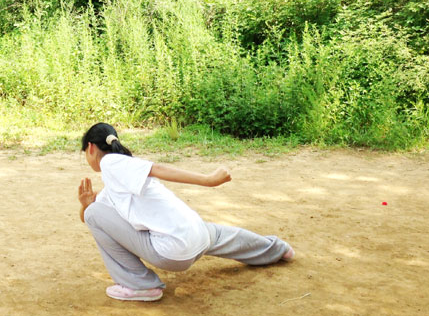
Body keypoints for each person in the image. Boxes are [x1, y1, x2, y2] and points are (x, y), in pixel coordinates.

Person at [78, 122, 294, 302]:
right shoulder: (117, 180)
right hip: (198, 236)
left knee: (94, 212)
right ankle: (277, 249)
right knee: (225, 236)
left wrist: (208, 180)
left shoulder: (111, 162)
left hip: (172, 252)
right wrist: (86, 204)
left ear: (90, 148)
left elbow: (159, 169)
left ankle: (140, 285)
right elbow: (91, 217)